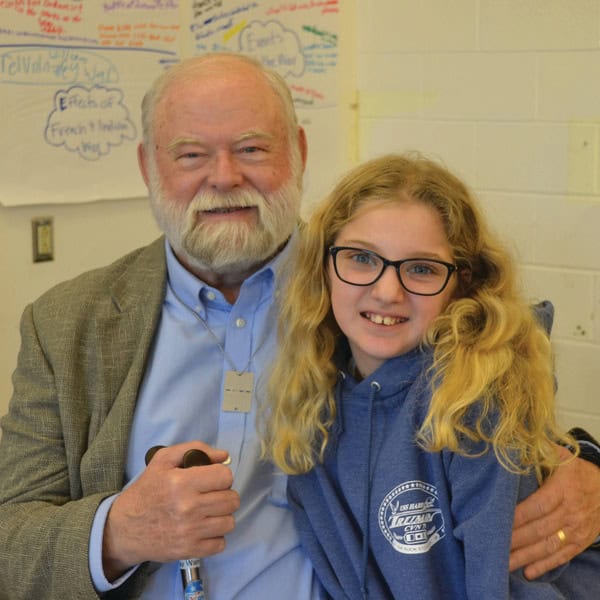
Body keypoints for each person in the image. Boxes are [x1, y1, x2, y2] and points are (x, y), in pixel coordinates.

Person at [0, 53, 597, 599]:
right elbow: (10, 539)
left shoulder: (363, 290)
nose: (225, 176)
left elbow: (496, 380)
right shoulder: (68, 325)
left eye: (253, 149)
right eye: (191, 154)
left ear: (301, 154)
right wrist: (118, 532)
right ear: (146, 166)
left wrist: (591, 467)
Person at [263, 152, 600, 598]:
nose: (387, 292)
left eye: (421, 268)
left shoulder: (472, 402)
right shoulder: (310, 402)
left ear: (462, 281)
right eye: (362, 258)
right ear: (325, 266)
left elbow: (503, 585)